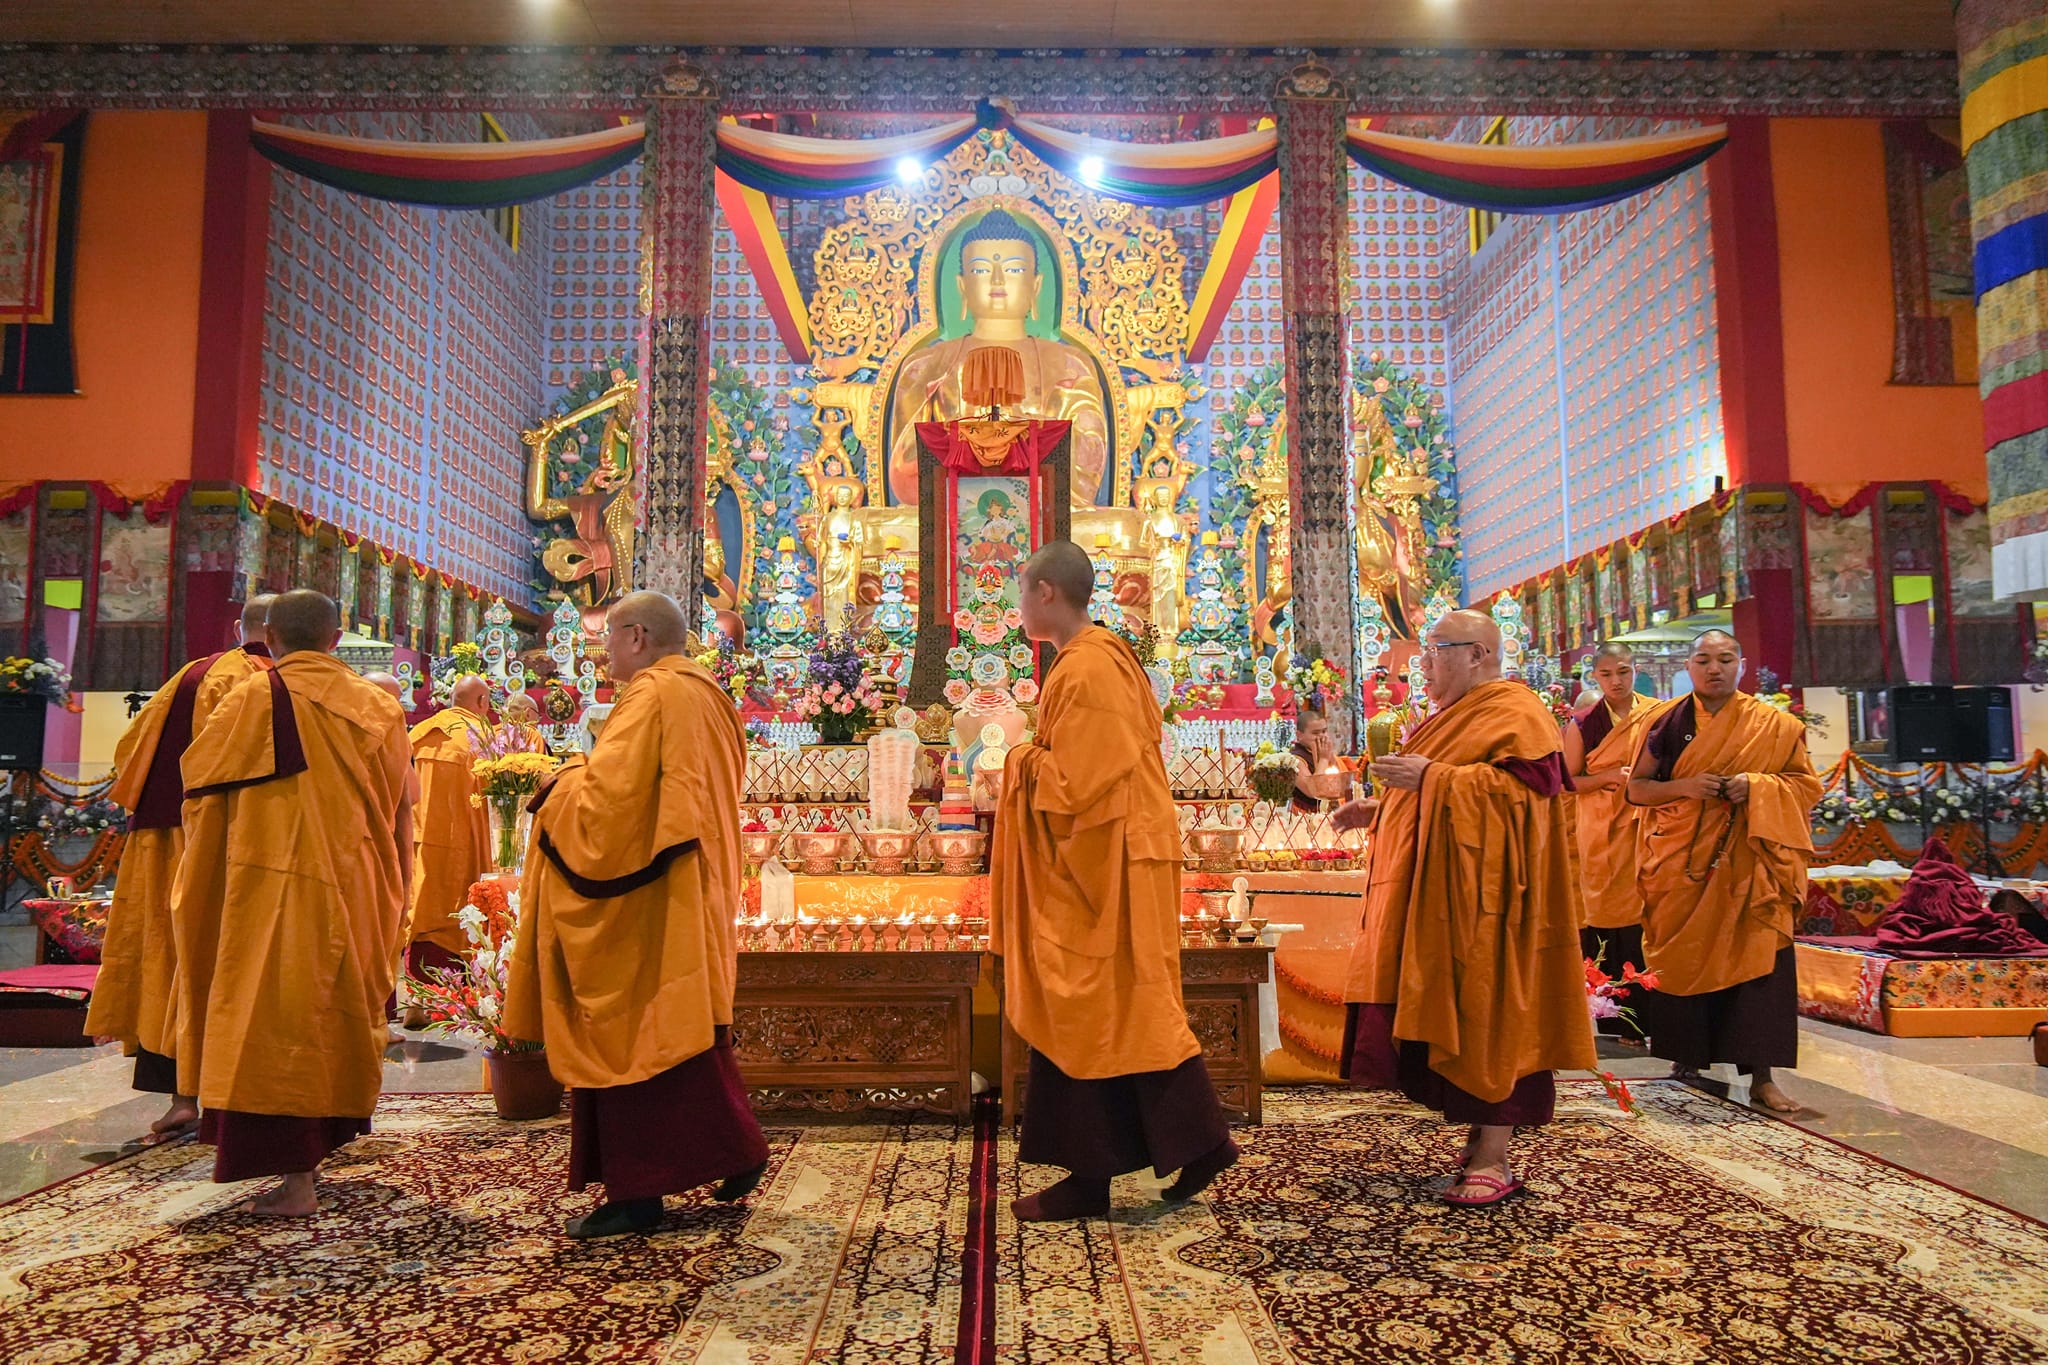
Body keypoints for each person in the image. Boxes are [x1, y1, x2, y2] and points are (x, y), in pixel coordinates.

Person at [504, 590, 768, 1240]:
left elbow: (604, 808)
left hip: (645, 893)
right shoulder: (708, 693)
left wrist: (559, 783)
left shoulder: (651, 695)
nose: (602, 651)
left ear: (639, 637)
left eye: (609, 638)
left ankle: (640, 1190)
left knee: (631, 1032)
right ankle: (730, 1148)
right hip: (689, 882)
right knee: (683, 1026)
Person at [991, 540, 1236, 1223]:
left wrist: (1015, 757)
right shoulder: (1091, 659)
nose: (1016, 604)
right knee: (1127, 1006)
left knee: (1084, 1002)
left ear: (1046, 593)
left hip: (1108, 858)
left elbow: (1076, 782)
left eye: (1020, 590)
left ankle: (1091, 1174)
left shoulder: (1090, 667)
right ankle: (1197, 1139)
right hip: (1115, 849)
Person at [1333, 609, 1594, 1206]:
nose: (1421, 664)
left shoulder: (1516, 712)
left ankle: (1497, 1156)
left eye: (1434, 650)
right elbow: (1454, 788)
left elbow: (1528, 804)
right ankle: (1480, 1141)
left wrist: (1434, 779)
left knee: (1491, 1008)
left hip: (1497, 904)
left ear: (1477, 653)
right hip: (1449, 897)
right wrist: (1382, 810)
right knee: (1458, 1006)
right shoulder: (1453, 717)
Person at [171, 590, 413, 1216]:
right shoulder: (377, 707)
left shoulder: (252, 696)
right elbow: (393, 803)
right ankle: (323, 1143)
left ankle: (294, 1179)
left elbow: (200, 789)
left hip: (268, 884)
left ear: (269, 638)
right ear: (338, 640)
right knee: (334, 1009)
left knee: (268, 1014)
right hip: (354, 880)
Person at [86, 594, 275, 1145]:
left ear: (240, 628)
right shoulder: (270, 682)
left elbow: (130, 752)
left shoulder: (191, 675)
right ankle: (230, 1097)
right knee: (220, 960)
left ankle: (180, 1095)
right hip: (226, 843)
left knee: (167, 956)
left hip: (162, 837)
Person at [1624, 630, 1821, 1115]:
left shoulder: (1771, 724)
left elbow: (1804, 786)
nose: (1715, 668)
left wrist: (1755, 786)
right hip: (1682, 863)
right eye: (1704, 660)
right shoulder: (1667, 722)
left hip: (1752, 863)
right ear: (1688, 667)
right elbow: (1636, 791)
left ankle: (1762, 1077)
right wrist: (1687, 786)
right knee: (1684, 956)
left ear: (1742, 664)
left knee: (1760, 961)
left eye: (1725, 659)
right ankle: (1687, 1060)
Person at [1561, 642, 1658, 1029]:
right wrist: (1604, 777)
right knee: (1609, 920)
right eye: (1606, 674)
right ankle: (1616, 1017)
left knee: (1652, 917)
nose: (1616, 681)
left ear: (1636, 669)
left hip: (1651, 825)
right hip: (1602, 830)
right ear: (1595, 676)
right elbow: (1567, 781)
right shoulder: (1584, 723)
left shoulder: (1658, 714)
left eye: (1623, 671)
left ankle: (1657, 1016)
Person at [401, 675, 493, 1024]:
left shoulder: (419, 733)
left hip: (420, 840)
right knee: (462, 914)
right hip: (465, 841)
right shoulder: (482, 737)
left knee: (421, 912)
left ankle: (418, 999)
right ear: (482, 702)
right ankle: (457, 1002)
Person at [1289, 703, 1349, 813]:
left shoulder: (1325, 752)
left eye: (1324, 731)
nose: (1322, 736)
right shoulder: (1295, 759)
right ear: (1299, 735)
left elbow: (1340, 785)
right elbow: (1313, 791)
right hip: (1304, 816)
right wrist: (1324, 759)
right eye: (1315, 733)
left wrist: (1329, 757)